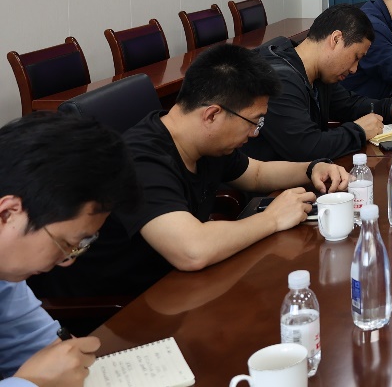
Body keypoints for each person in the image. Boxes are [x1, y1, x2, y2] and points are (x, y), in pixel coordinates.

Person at [30, 44, 349, 302]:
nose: (255, 134)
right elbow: (192, 250)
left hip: (178, 287)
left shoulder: (204, 143)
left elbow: (256, 173)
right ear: (212, 115)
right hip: (122, 309)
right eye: (254, 122)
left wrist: (311, 168)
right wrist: (272, 219)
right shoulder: (140, 160)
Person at [0, 112, 138, 387]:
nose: (67, 260)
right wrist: (31, 382)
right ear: (8, 213)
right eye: (65, 243)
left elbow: (38, 345)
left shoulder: (8, 276)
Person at [249, 4, 392, 162]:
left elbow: (350, 105)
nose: (354, 69)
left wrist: (391, 107)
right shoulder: (279, 80)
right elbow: (306, 148)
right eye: (356, 57)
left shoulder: (318, 73)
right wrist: (359, 131)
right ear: (336, 39)